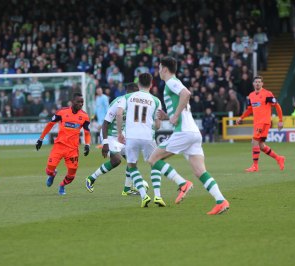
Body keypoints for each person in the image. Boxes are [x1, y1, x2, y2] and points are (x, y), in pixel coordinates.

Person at [148, 56, 229, 215]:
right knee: (200, 172)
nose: (158, 71)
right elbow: (182, 101)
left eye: (159, 68)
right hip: (193, 133)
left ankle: (182, 183)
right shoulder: (173, 82)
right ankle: (221, 201)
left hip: (184, 132)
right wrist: (168, 116)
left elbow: (186, 94)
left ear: (164, 69)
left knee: (153, 159)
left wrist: (175, 116)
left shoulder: (171, 81)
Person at [116, 73, 163, 208]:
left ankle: (144, 195)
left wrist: (120, 133)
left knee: (132, 165)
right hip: (148, 136)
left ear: (138, 83)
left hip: (131, 136)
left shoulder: (127, 97)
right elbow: (158, 125)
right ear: (151, 84)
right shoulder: (155, 100)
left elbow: (119, 113)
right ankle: (158, 196)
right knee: (154, 163)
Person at [85, 83, 140, 195]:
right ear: (130, 92)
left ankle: (127, 189)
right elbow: (105, 123)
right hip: (109, 134)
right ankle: (91, 178)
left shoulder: (134, 104)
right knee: (116, 160)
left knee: (132, 158)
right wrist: (105, 143)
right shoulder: (118, 103)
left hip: (121, 135)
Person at [36, 93, 91, 195]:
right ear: (72, 101)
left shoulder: (84, 116)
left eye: (82, 102)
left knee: (72, 175)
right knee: (49, 170)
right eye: (78, 102)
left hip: (73, 149)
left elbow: (87, 132)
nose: (80, 104)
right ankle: (52, 175)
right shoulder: (62, 112)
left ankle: (62, 185)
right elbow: (50, 124)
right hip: (59, 146)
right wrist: (41, 139)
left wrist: (87, 145)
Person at [236, 76, 285, 172]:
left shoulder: (267, 94)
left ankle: (255, 166)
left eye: (259, 82)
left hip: (264, 122)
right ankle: (279, 158)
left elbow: (277, 106)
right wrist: (241, 118)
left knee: (254, 142)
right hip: (257, 123)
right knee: (261, 145)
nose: (257, 83)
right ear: (253, 84)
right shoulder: (251, 96)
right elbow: (249, 109)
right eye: (256, 82)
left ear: (262, 83)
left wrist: (280, 120)